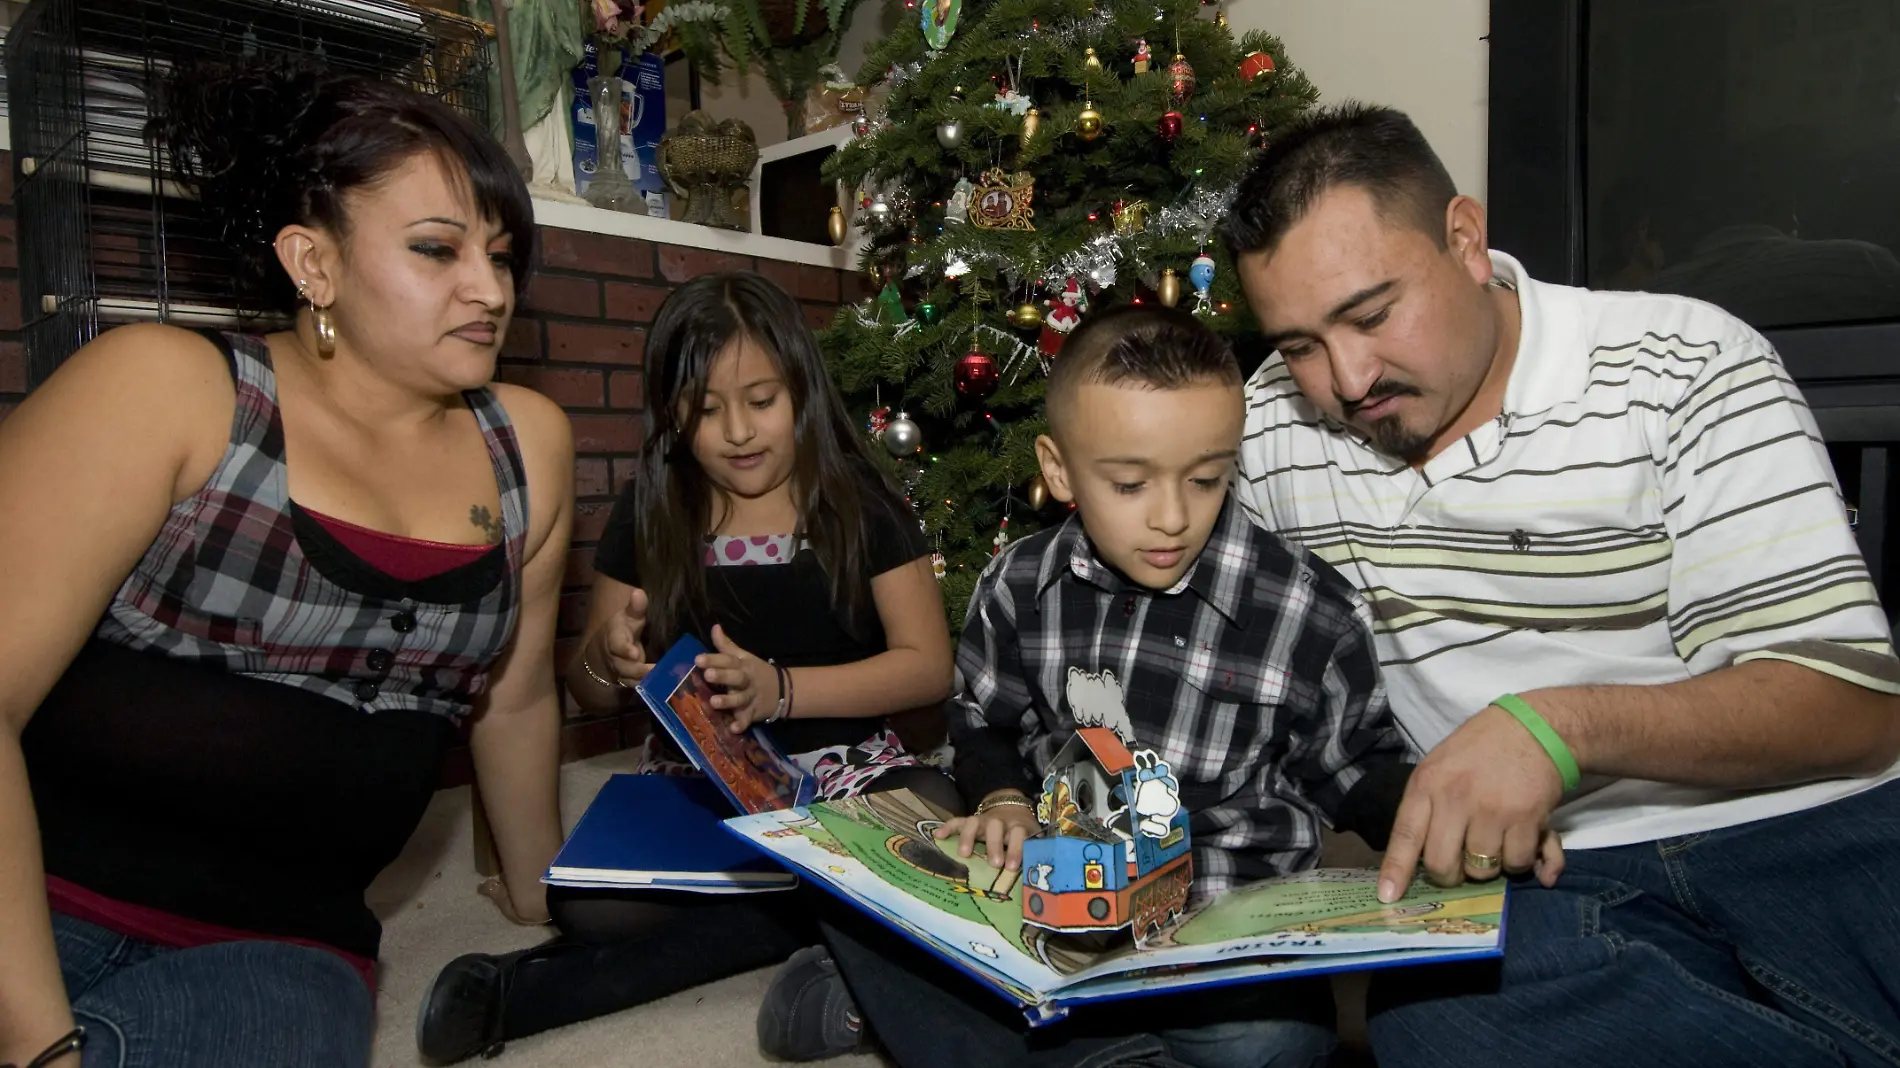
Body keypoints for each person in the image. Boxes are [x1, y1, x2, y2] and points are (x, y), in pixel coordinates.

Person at [1224, 103, 1900, 1068]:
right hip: (1548, 882)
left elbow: (1855, 705)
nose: (1348, 377)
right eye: (1297, 345)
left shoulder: (1687, 362)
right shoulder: (1270, 434)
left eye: (1372, 314)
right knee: (1431, 1012)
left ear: (1464, 238)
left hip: (1813, 828)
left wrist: (1559, 729)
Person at [0, 59, 573, 1068]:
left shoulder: (527, 446)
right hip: (35, 891)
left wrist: (543, 897)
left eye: (501, 254)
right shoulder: (168, 388)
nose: (489, 289)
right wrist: (40, 1045)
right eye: (438, 251)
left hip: (278, 952)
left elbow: (516, 698)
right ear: (313, 263)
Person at [816, 303, 1416, 1068]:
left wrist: (1430, 811)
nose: (1172, 517)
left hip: (1218, 943)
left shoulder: (1307, 609)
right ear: (1059, 469)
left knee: (1270, 1043)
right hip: (1058, 917)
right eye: (1131, 484)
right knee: (857, 894)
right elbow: (981, 718)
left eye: (1207, 479)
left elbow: (1351, 767)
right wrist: (1001, 798)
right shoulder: (1019, 582)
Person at [416, 272, 959, 1064]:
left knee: (934, 824)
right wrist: (607, 659)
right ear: (672, 413)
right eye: (705, 409)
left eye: (762, 401)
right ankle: (829, 928)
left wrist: (783, 690)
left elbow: (927, 667)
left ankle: (533, 995)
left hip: (843, 778)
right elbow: (584, 685)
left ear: (801, 391)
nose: (738, 431)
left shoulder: (859, 502)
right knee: (585, 904)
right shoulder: (650, 508)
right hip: (700, 783)